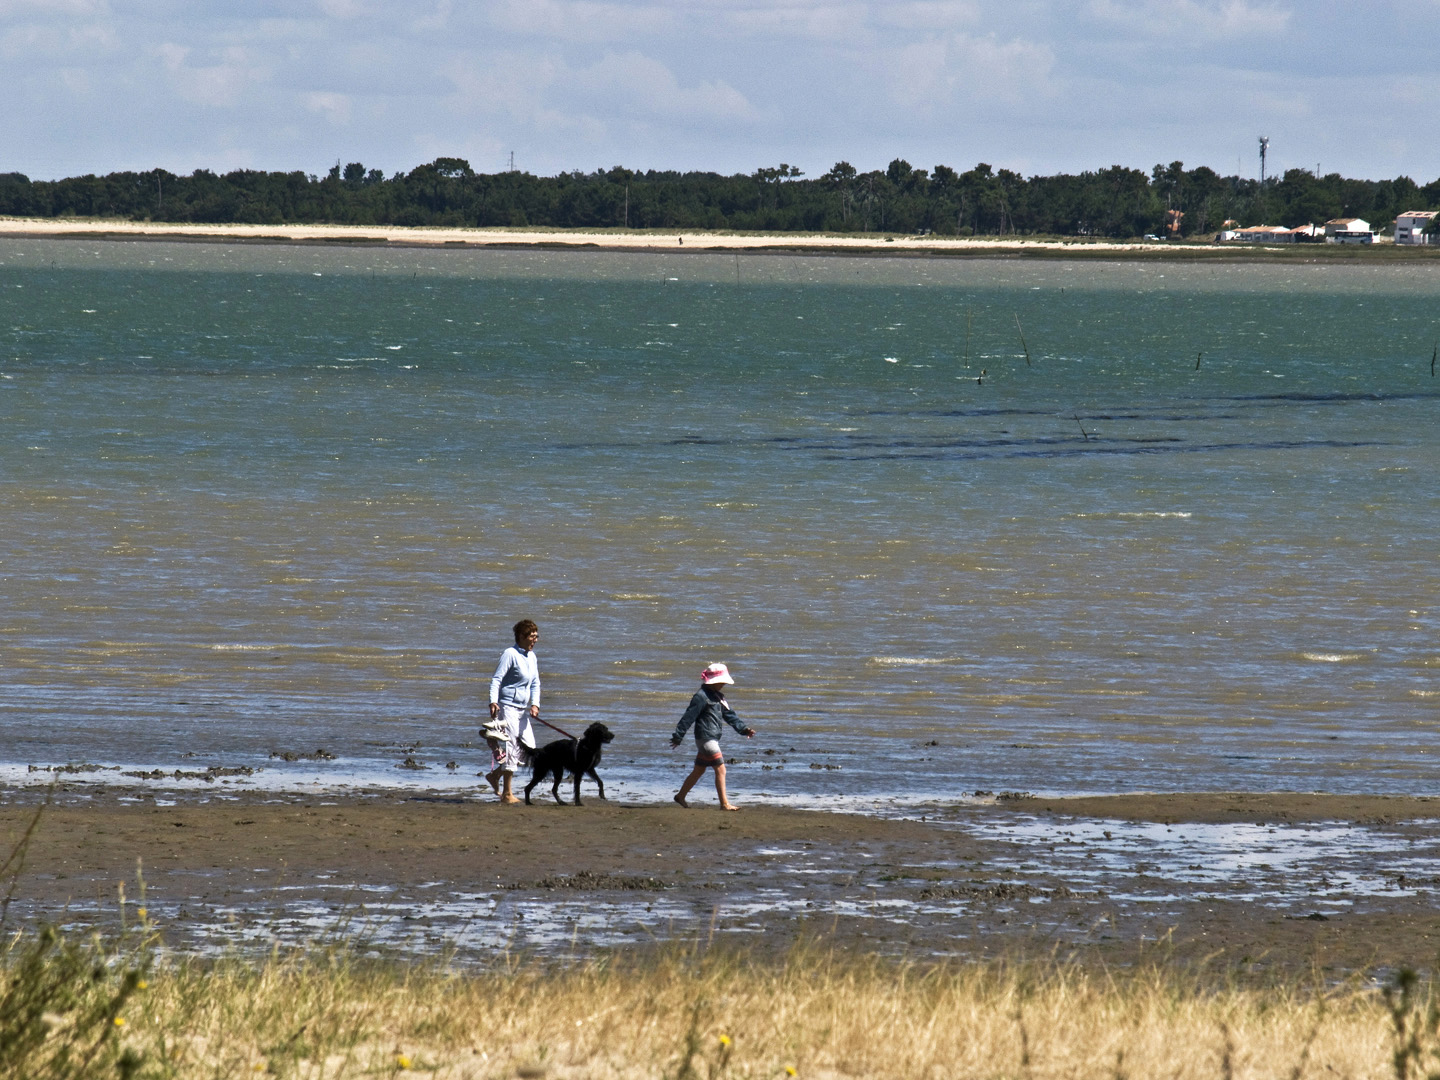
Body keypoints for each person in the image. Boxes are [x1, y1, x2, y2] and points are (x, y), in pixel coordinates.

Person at [670, 663, 755, 811]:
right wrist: (678, 736)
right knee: (721, 769)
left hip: (712, 738)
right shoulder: (700, 697)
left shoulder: (718, 697)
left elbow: (730, 716)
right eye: (721, 682)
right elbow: (688, 717)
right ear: (713, 681)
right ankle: (724, 804)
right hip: (705, 738)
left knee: (699, 770)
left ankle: (680, 796)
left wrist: (744, 730)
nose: (723, 684)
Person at [485, 619, 541, 805]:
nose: (535, 640)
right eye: (532, 637)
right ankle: (507, 794)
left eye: (536, 636)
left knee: (528, 751)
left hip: (522, 710)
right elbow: (496, 679)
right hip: (507, 708)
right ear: (521, 637)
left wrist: (535, 705)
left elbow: (535, 683)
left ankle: (495, 776)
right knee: (511, 752)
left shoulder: (532, 656)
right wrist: (493, 701)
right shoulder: (510, 654)